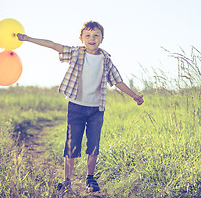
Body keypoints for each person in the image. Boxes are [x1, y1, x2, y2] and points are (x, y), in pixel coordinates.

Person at [17, 21, 144, 192]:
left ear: (102, 39)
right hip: (76, 106)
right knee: (72, 144)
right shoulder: (76, 53)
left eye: (96, 35)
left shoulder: (106, 60)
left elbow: (118, 81)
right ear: (81, 38)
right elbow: (54, 46)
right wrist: (27, 38)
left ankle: (90, 179)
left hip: (96, 110)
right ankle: (67, 179)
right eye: (88, 35)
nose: (92, 38)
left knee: (93, 144)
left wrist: (134, 95)